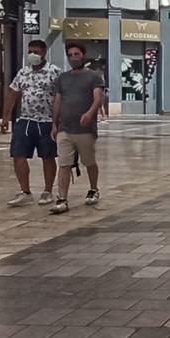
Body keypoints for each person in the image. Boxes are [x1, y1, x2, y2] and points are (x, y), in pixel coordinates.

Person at [1, 40, 63, 207]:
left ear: (44, 52)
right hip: (25, 120)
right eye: (30, 51)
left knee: (47, 156)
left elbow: (61, 96)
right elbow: (13, 93)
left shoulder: (54, 72)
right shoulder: (23, 72)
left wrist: (59, 121)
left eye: (36, 51)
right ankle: (25, 191)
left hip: (47, 121)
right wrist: (5, 117)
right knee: (18, 154)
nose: (33, 55)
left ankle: (47, 191)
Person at [49, 43, 105, 214]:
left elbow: (98, 98)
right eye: (71, 54)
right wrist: (54, 123)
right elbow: (57, 101)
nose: (74, 57)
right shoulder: (62, 79)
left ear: (84, 54)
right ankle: (62, 199)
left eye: (77, 54)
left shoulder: (94, 77)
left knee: (89, 162)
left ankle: (94, 188)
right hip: (65, 128)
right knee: (64, 164)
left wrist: (89, 114)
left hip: (85, 129)